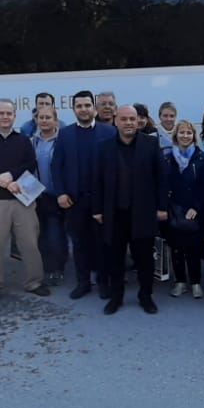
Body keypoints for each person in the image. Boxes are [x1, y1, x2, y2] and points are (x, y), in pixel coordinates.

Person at [94, 105, 169, 314]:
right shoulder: (104, 146)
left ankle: (146, 297)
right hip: (114, 213)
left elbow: (161, 178)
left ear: (138, 121)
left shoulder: (151, 144)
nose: (128, 123)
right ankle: (116, 298)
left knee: (144, 259)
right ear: (116, 121)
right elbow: (97, 180)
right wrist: (97, 209)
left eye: (132, 119)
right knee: (115, 259)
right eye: (124, 119)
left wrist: (162, 207)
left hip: (143, 213)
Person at [0, 99, 49, 301]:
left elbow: (30, 163)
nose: (5, 117)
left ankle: (34, 282)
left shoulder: (23, 140)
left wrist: (11, 175)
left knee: (30, 243)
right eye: (1, 113)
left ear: (14, 116)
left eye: (9, 113)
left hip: (22, 199)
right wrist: (7, 182)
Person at [52, 89, 118, 300]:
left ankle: (103, 282)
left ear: (94, 107)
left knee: (103, 243)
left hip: (101, 200)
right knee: (79, 243)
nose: (83, 109)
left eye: (87, 105)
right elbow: (56, 166)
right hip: (74, 200)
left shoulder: (108, 132)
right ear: (73, 109)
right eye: (79, 106)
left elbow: (117, 167)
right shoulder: (65, 133)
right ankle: (83, 282)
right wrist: (61, 193)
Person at [163, 120, 204, 298]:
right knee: (176, 247)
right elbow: (163, 184)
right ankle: (180, 282)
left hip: (194, 210)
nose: (185, 136)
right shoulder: (168, 158)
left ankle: (196, 282)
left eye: (188, 133)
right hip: (174, 209)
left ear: (194, 136)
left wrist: (196, 207)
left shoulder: (202, 158)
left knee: (193, 248)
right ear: (176, 135)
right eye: (182, 132)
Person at [30, 105, 68, 288]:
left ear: (55, 120)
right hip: (37, 196)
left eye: (48, 117)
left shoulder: (63, 140)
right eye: (41, 117)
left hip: (56, 195)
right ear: (36, 120)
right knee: (41, 235)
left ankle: (57, 269)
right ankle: (45, 268)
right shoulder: (32, 141)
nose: (44, 120)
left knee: (55, 234)